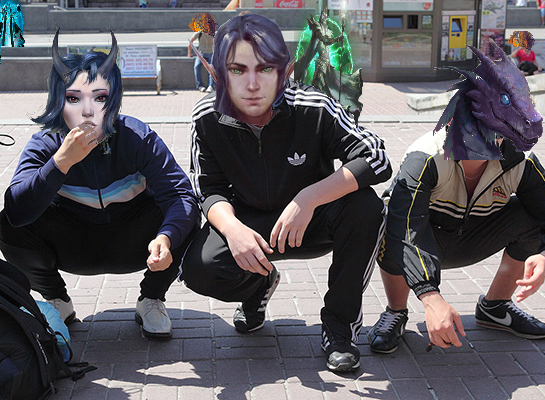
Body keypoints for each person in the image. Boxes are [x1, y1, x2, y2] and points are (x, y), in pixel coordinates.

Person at [179, 13, 392, 372]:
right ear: (218, 72)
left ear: (284, 69)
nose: (252, 84)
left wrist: (308, 198)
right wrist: (232, 230)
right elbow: (207, 189)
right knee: (199, 267)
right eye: (237, 69)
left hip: (313, 220)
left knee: (366, 207)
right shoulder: (206, 115)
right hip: (250, 223)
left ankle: (339, 328)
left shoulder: (314, 106)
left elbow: (377, 158)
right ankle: (258, 286)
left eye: (264, 69)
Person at [0, 31, 199, 338]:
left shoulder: (136, 137)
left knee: (187, 213)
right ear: (58, 101)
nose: (88, 110)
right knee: (7, 223)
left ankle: (151, 298)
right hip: (74, 243)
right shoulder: (46, 143)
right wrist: (60, 162)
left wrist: (166, 237)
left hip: (135, 243)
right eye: (73, 98)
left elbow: (180, 195)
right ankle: (57, 300)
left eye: (100, 97)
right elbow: (16, 211)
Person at [367, 121, 545, 354]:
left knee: (534, 215)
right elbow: (407, 228)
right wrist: (430, 296)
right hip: (425, 240)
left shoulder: (519, 159)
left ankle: (496, 306)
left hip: (474, 236)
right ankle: (396, 312)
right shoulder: (425, 155)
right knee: (390, 221)